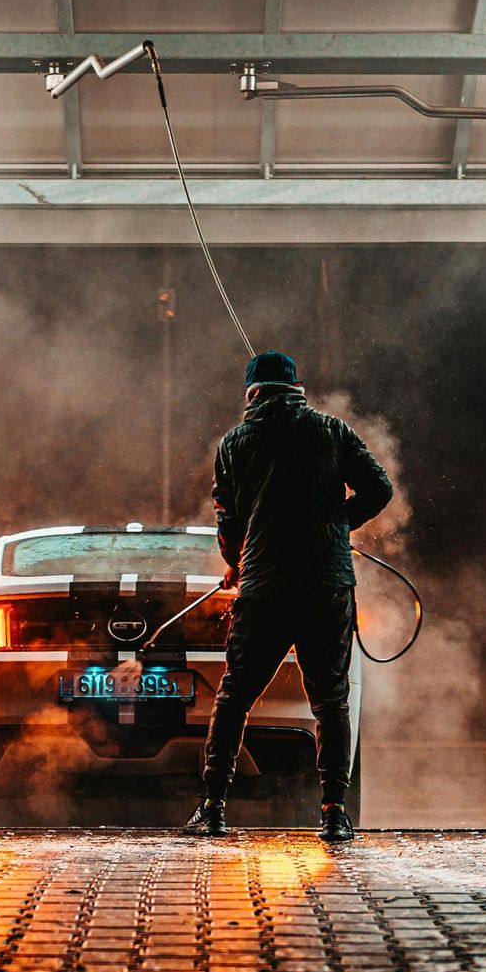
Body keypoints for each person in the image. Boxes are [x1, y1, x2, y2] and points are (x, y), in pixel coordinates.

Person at [185, 350, 393, 841]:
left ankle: (213, 809)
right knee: (330, 703)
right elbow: (379, 489)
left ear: (252, 393)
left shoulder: (234, 443)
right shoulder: (333, 431)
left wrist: (237, 562)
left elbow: (227, 519)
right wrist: (338, 521)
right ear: (297, 389)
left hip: (265, 590)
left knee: (235, 696)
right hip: (326, 587)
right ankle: (335, 814)